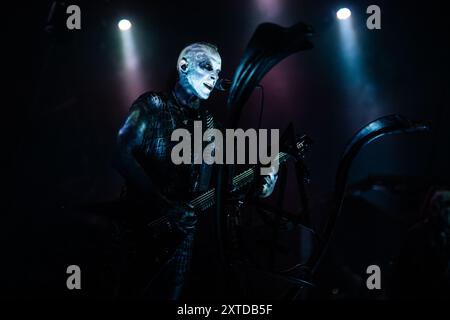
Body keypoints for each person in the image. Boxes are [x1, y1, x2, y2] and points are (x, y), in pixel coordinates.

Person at [114, 42, 277, 299]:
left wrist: (268, 176)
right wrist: (163, 205)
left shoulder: (212, 128)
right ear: (183, 66)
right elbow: (120, 153)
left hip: (181, 242)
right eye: (206, 67)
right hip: (139, 228)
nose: (214, 76)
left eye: (218, 71)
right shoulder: (154, 104)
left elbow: (238, 188)